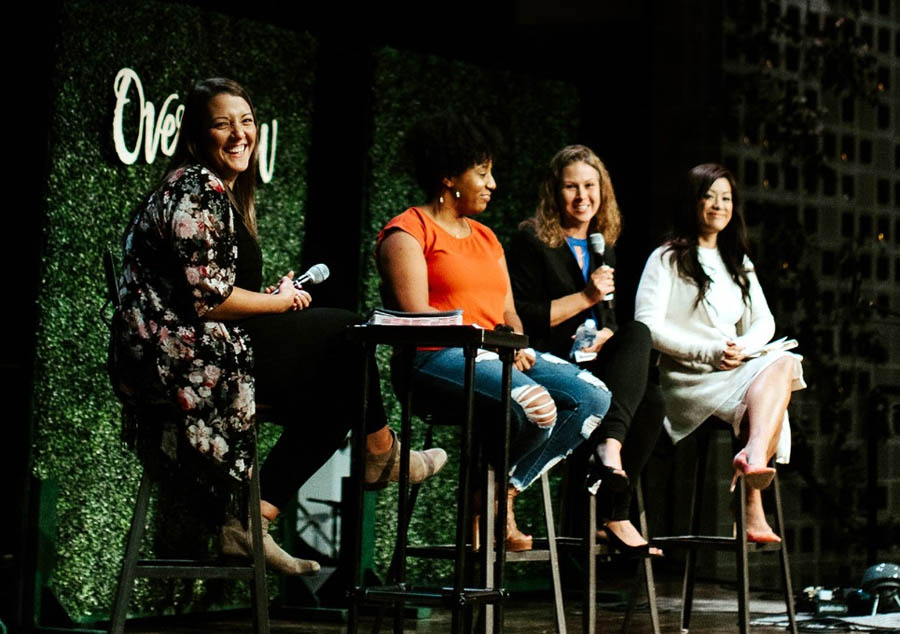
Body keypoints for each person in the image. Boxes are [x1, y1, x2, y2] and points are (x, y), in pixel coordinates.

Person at [109, 78, 447, 576]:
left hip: (206, 348)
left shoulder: (215, 192)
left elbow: (208, 291)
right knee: (348, 332)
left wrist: (269, 299)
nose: (239, 134)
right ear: (198, 136)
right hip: (182, 363)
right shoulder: (195, 188)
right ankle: (382, 453)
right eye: (223, 124)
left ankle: (250, 523)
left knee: (339, 396)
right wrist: (282, 303)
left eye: (246, 122)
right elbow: (209, 300)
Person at [376, 113, 612, 552]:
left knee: (594, 397)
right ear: (450, 177)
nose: (493, 184)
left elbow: (509, 312)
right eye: (482, 173)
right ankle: (494, 502)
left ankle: (502, 492)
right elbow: (417, 315)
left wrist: (515, 341)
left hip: (493, 354)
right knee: (537, 405)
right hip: (432, 360)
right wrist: (493, 343)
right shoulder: (407, 231)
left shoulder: (486, 238)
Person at [634, 163, 805, 542]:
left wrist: (741, 348)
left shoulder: (737, 262)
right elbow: (646, 326)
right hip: (687, 377)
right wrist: (708, 351)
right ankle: (750, 501)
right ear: (692, 202)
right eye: (709, 196)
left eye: (725, 198)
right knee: (778, 373)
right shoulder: (666, 258)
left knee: (781, 361)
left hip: (733, 367)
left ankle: (753, 458)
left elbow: (765, 323)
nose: (718, 205)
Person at [507, 145, 664, 556]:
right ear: (553, 193)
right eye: (571, 187)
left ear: (603, 190)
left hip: (591, 358)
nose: (582, 197)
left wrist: (608, 332)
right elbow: (522, 315)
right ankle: (614, 506)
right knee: (646, 398)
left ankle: (609, 489)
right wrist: (585, 296)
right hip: (547, 358)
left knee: (642, 356)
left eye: (590, 186)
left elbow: (607, 314)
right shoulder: (530, 241)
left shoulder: (601, 245)